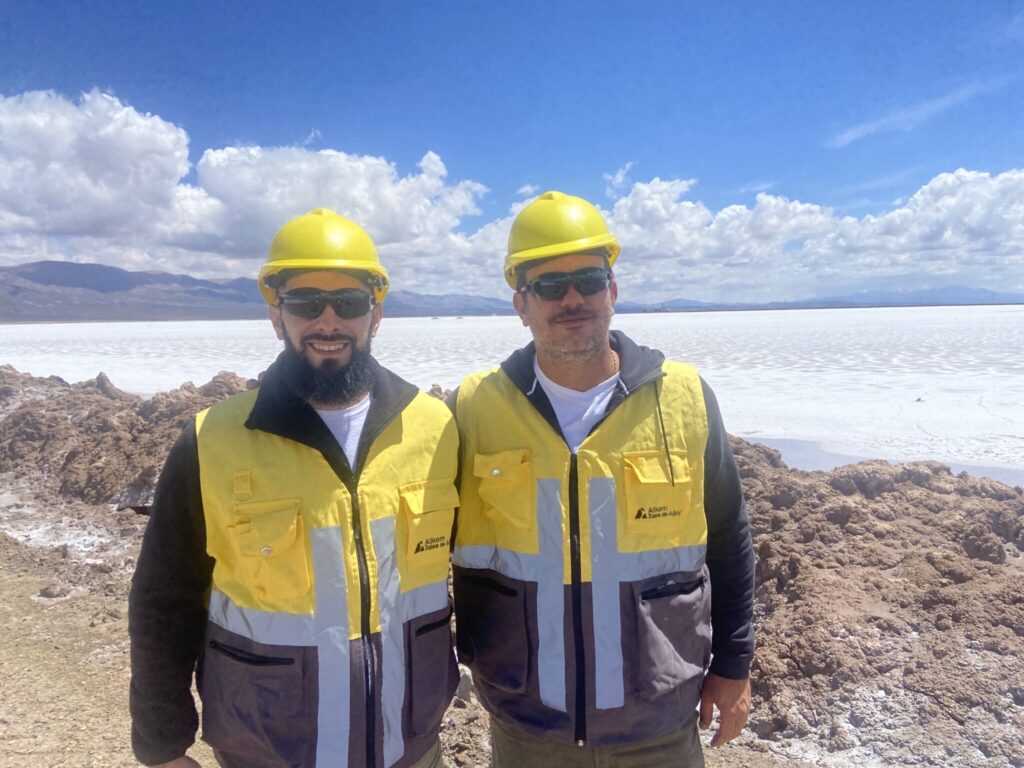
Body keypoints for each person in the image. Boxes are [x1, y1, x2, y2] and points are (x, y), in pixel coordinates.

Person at [129, 208, 460, 768]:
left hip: (409, 740)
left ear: (375, 315)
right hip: (268, 747)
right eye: (307, 302)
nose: (328, 322)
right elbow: (164, 597)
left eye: (349, 303)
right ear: (276, 315)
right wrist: (162, 745)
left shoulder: (435, 427)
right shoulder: (213, 440)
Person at [450, 191, 754, 767]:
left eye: (588, 280)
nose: (571, 299)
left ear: (612, 292)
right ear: (521, 304)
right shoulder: (476, 407)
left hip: (658, 717)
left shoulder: (683, 397)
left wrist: (734, 666)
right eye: (547, 286)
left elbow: (730, 536)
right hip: (527, 720)